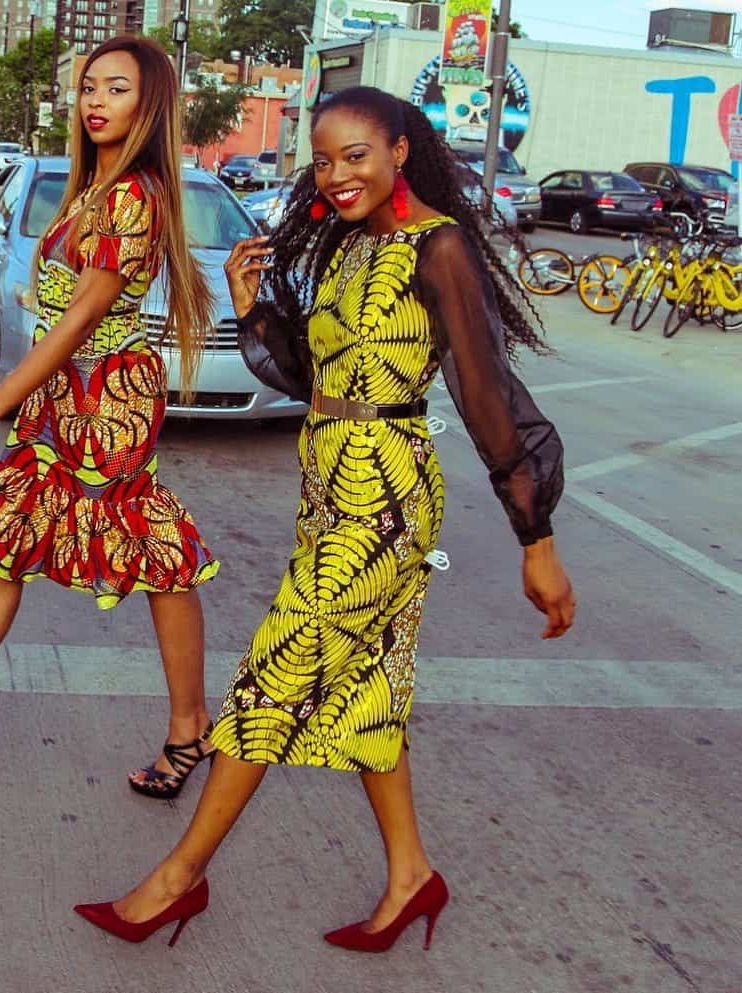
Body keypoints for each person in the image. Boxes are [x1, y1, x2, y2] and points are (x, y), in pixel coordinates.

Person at [74, 86, 576, 950]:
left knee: (274, 678)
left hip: (383, 502)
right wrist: (252, 305)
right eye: (323, 160)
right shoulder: (351, 245)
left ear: (399, 152)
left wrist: (536, 540)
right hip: (328, 487)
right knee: (365, 689)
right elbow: (316, 375)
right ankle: (411, 876)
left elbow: (488, 394)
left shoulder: (438, 246)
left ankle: (177, 879)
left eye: (356, 155)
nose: (337, 174)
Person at [0, 36, 220, 799]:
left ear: (149, 103)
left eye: (117, 88)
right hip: (61, 397)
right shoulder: (93, 187)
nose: (95, 101)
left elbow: (84, 318)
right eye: (89, 86)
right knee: (1, 546)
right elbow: (69, 307)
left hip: (107, 403)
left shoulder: (132, 196)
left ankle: (190, 725)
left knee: (154, 556)